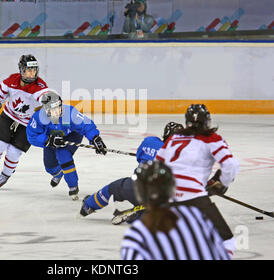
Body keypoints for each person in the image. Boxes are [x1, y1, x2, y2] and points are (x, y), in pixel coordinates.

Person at [155, 104, 239, 258]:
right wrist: (223, 184)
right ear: (207, 120)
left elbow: (157, 166)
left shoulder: (174, 138)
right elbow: (231, 165)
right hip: (194, 198)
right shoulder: (212, 139)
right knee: (227, 241)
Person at [121, 161, 230, 260]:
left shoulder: (137, 234)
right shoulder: (195, 215)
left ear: (140, 193)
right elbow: (221, 253)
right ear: (172, 188)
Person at [79, 122, 184, 222]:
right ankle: (141, 214)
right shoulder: (185, 156)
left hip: (135, 187)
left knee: (112, 188)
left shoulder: (150, 142)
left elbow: (139, 157)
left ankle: (88, 206)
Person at [0, 55, 51, 189]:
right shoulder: (11, 80)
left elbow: (45, 96)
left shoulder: (39, 86)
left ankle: (5, 175)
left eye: (34, 70)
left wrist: (53, 103)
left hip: (28, 123)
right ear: (21, 70)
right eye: (28, 70)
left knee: (14, 152)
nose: (32, 73)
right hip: (8, 116)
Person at [26, 92, 107, 200]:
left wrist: (95, 138)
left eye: (58, 107)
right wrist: (48, 140)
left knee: (63, 154)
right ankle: (59, 173)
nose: (57, 111)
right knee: (50, 167)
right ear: (45, 109)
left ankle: (73, 186)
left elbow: (86, 125)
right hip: (51, 139)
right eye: (52, 109)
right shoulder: (38, 118)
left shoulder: (70, 112)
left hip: (72, 136)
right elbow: (32, 136)